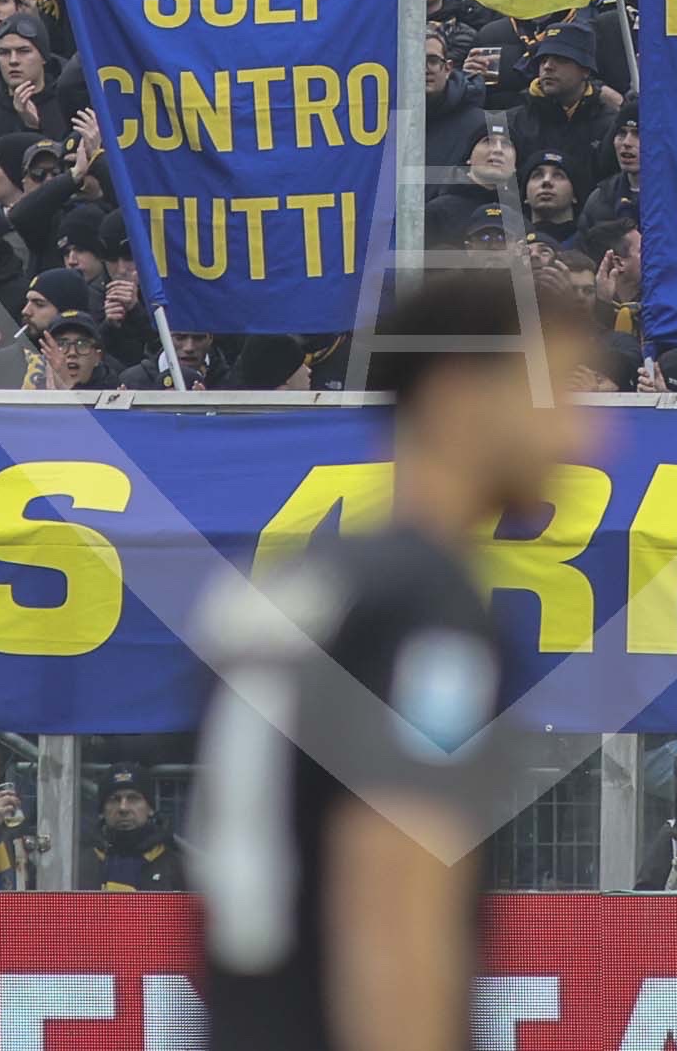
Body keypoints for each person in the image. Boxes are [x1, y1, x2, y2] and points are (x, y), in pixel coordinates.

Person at [197, 272, 597, 1051]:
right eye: (553, 396)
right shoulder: (428, 609)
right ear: (458, 396)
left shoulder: (292, 586)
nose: (582, 437)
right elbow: (395, 905)